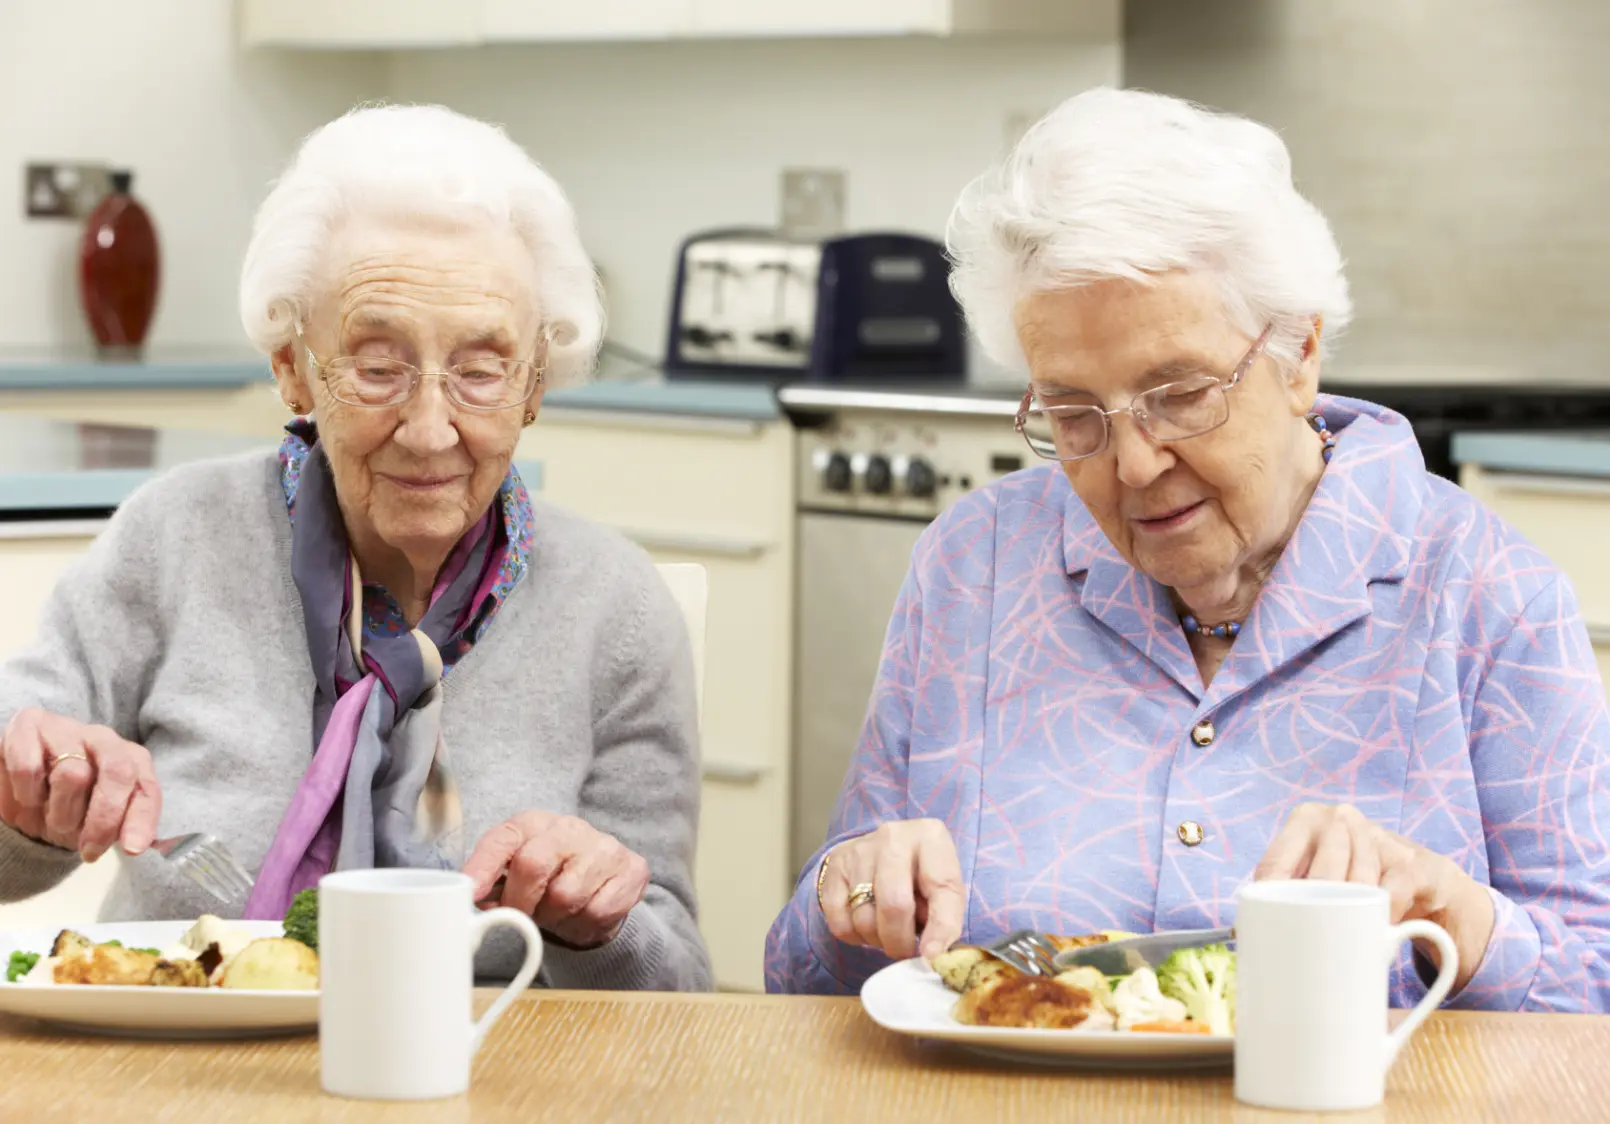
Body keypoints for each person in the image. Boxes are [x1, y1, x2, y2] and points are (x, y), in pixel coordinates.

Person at [766, 87, 1610, 1011]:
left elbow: (1592, 993)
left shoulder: (1490, 595)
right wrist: (845, 896)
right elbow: (810, 980)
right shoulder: (976, 564)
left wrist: (1458, 914)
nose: (1131, 464)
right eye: (1073, 412)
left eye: (1178, 393)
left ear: (1300, 354)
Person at [0, 105, 711, 991]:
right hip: (175, 1068)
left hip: (481, 1082)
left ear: (535, 383)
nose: (427, 429)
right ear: (293, 368)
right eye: (378, 365)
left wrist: (595, 926)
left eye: (482, 370)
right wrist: (33, 801)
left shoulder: (617, 608)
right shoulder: (173, 538)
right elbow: (9, 792)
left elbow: (675, 985)